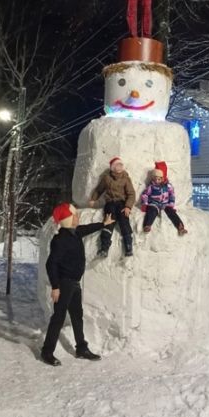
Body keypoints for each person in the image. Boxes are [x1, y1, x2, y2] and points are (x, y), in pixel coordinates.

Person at [40, 203, 115, 367]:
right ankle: (47, 352)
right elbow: (50, 264)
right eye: (74, 216)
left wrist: (104, 224)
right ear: (67, 220)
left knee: (77, 316)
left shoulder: (75, 233)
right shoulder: (60, 240)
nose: (77, 217)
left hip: (74, 283)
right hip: (64, 283)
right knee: (58, 318)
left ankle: (81, 348)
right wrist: (55, 286)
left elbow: (87, 228)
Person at [89, 157, 135, 257]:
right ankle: (104, 248)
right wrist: (93, 199)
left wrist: (128, 206)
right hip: (110, 203)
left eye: (121, 165)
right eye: (117, 165)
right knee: (108, 221)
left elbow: (131, 194)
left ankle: (128, 246)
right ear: (112, 167)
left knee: (124, 220)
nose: (119, 167)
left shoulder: (126, 179)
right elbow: (99, 190)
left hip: (122, 203)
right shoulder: (106, 178)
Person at [141, 161, 187, 236]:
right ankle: (147, 225)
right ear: (153, 178)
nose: (157, 180)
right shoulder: (151, 187)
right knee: (151, 211)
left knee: (171, 212)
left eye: (159, 179)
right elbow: (145, 194)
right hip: (154, 203)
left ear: (162, 178)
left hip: (165, 204)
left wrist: (171, 204)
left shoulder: (168, 186)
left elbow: (172, 194)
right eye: (155, 179)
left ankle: (180, 226)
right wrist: (145, 204)